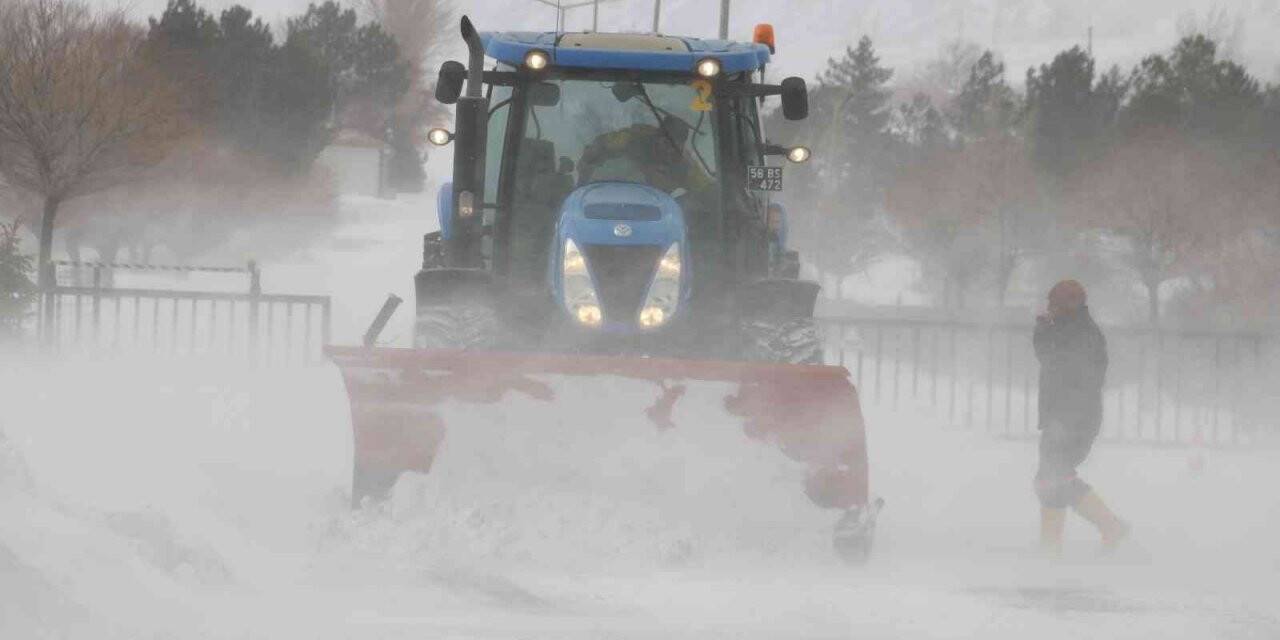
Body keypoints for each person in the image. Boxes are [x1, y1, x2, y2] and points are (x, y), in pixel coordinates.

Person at [1033, 280, 1129, 555]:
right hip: (1067, 417)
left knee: (1052, 477)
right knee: (1052, 478)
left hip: (1073, 419)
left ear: (1066, 305)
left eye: (1053, 304)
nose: (1049, 308)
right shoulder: (1072, 329)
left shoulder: (1080, 334)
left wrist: (1042, 328)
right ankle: (1105, 528)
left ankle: (1054, 547)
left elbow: (1054, 362)